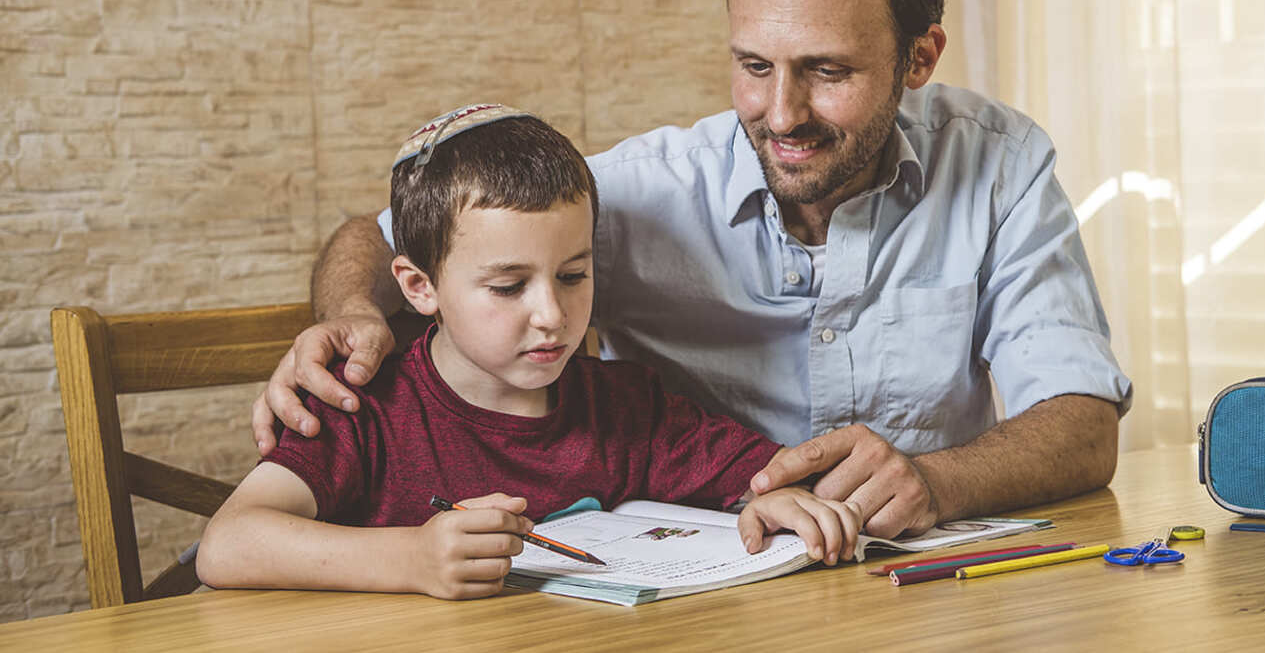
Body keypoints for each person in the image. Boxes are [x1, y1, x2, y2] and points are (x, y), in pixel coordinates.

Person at [253, 0, 1133, 540]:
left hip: (922, 581)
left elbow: (1083, 426)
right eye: (754, 66)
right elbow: (378, 237)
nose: (781, 114)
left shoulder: (1000, 163)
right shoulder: (641, 191)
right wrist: (351, 312)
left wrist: (937, 482)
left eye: (827, 71)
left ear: (919, 59)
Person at [197, 106, 862, 600]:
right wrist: (410, 559)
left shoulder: (625, 406)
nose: (552, 315)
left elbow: (763, 477)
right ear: (419, 287)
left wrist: (779, 497)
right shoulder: (361, 406)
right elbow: (228, 544)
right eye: (508, 286)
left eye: (573, 276)